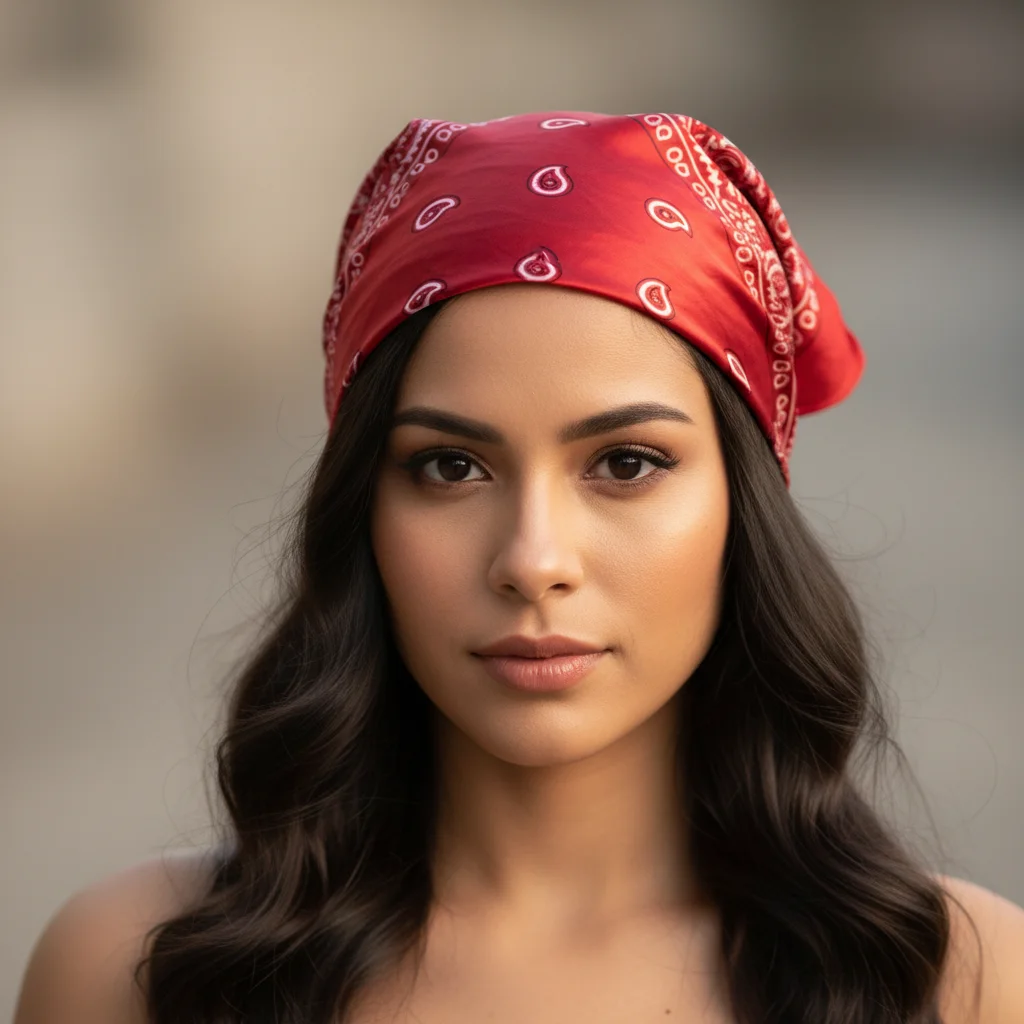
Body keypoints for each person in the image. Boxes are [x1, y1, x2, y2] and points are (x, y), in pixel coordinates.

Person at [14, 112, 1024, 1024]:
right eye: (449, 467)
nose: (533, 559)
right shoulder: (138, 970)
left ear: (741, 509)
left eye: (625, 464)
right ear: (364, 506)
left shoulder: (953, 982)